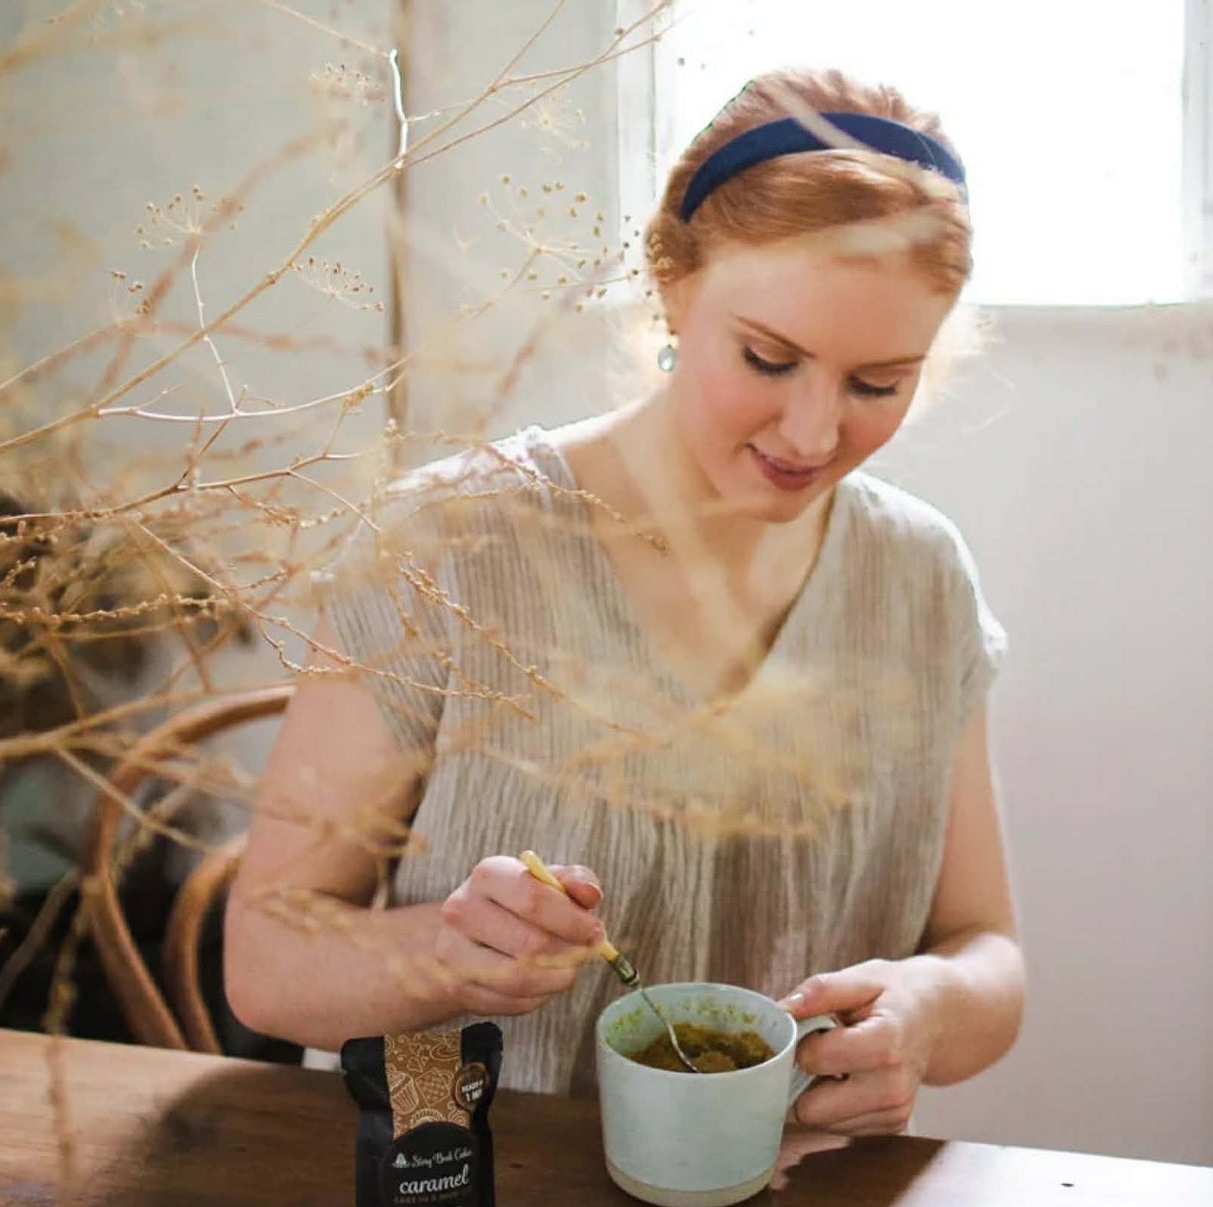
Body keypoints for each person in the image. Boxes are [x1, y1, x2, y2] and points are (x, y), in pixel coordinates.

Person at [226, 68, 1025, 1136]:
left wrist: (927, 1011)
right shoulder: (446, 544)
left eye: (877, 384)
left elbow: (987, 951)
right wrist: (443, 954)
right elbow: (264, 963)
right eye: (767, 358)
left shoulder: (919, 577)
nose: (811, 433)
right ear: (671, 284)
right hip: (473, 1201)